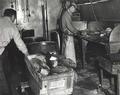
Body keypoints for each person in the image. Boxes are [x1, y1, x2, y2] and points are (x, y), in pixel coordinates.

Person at [0, 8, 29, 95]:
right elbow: (19, 43)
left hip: (2, 50)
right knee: (2, 76)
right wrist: (27, 54)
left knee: (6, 70)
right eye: (14, 18)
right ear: (12, 16)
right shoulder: (12, 26)